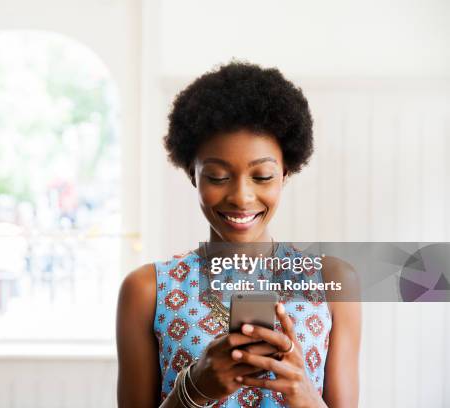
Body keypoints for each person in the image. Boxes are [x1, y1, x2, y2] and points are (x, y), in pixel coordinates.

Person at [116, 61, 361, 407]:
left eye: (262, 176)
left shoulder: (334, 281)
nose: (241, 198)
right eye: (217, 176)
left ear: (286, 173)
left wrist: (305, 395)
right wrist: (194, 389)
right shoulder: (146, 290)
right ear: (192, 174)